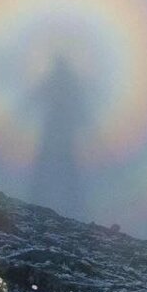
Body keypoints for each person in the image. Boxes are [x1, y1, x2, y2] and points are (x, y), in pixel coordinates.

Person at [28, 54, 89, 219]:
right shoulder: (68, 80)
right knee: (63, 160)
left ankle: (45, 196)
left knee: (52, 159)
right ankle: (63, 200)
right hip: (62, 128)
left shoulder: (56, 79)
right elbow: (80, 103)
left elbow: (37, 95)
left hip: (56, 127)